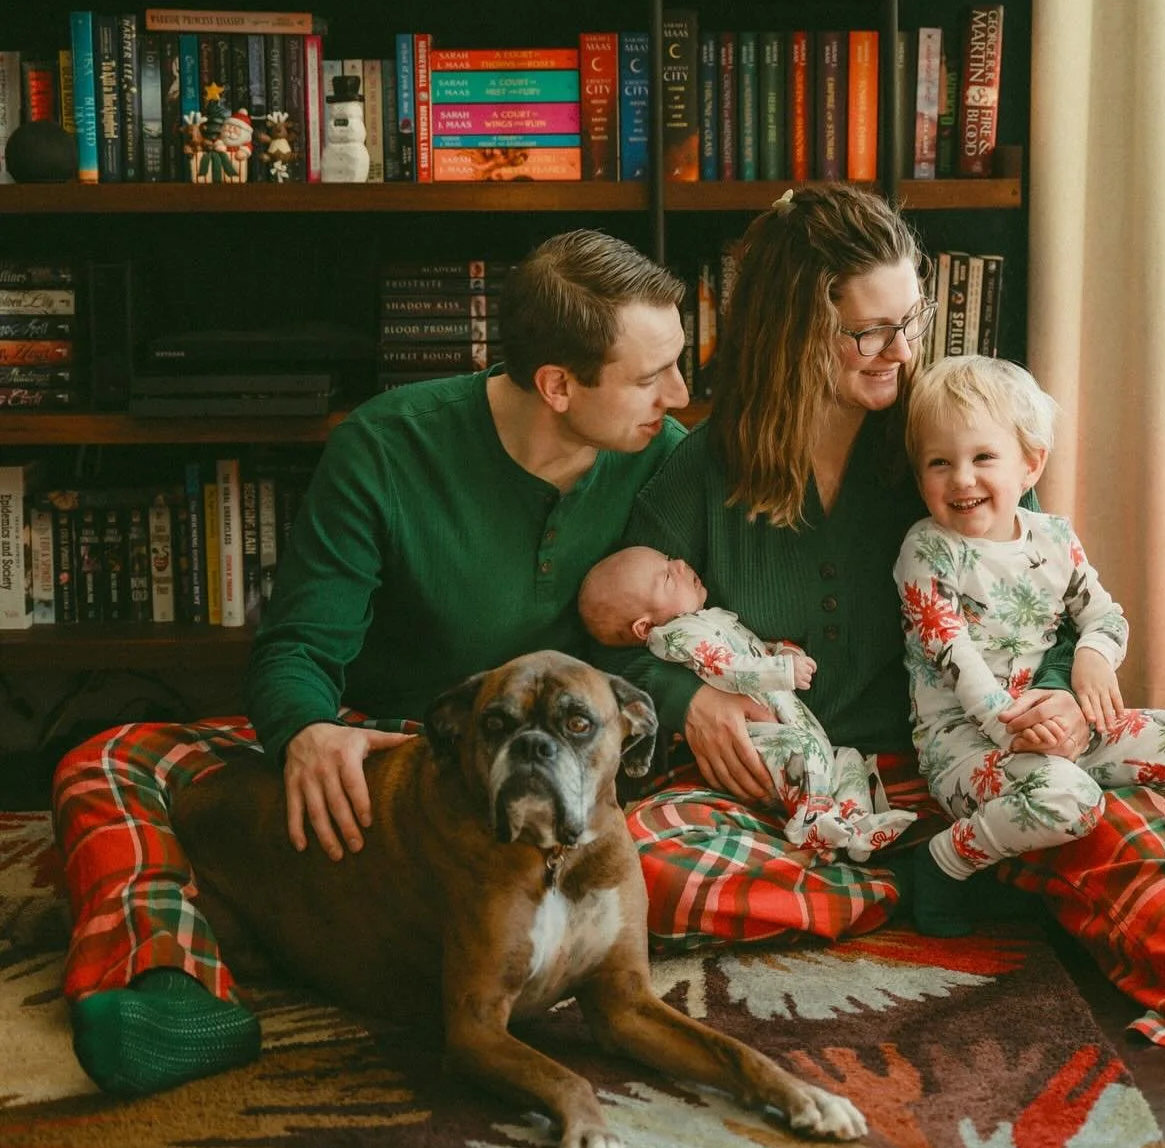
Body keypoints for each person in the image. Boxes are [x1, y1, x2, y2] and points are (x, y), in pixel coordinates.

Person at [613, 182, 1165, 1098]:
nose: (903, 350)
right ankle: (927, 884)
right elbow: (619, 630)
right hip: (795, 792)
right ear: (793, 332)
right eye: (869, 332)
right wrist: (694, 703)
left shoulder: (940, 438)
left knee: (1127, 820)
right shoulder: (703, 467)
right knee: (637, 859)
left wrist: (1053, 694)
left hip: (962, 761)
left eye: (910, 319)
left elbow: (1042, 587)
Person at [52, 231, 690, 1098]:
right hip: (390, 761)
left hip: (577, 788)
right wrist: (307, 730)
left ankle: (478, 936)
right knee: (110, 763)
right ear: (557, 384)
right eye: (653, 376)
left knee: (727, 831)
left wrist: (703, 703)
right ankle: (169, 986)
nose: (678, 395)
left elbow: (686, 640)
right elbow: (300, 646)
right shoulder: (389, 444)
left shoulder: (665, 460)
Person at [895, 354, 1165, 895]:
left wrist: (1093, 657)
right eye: (939, 463)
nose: (962, 478)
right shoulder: (927, 550)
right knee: (1070, 799)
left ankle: (1061, 830)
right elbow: (954, 659)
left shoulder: (1053, 537)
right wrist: (1015, 730)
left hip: (1060, 729)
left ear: (1031, 465)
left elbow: (1104, 614)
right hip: (969, 743)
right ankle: (942, 863)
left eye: (984, 456)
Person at [578, 544, 916, 860]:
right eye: (667, 576)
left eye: (671, 560)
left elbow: (748, 648)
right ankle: (814, 823)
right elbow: (727, 668)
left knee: (848, 760)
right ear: (644, 627)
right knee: (801, 757)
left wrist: (780, 650)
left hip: (804, 732)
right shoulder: (677, 636)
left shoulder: (709, 619)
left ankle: (856, 823)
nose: (680, 564)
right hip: (764, 743)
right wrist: (781, 669)